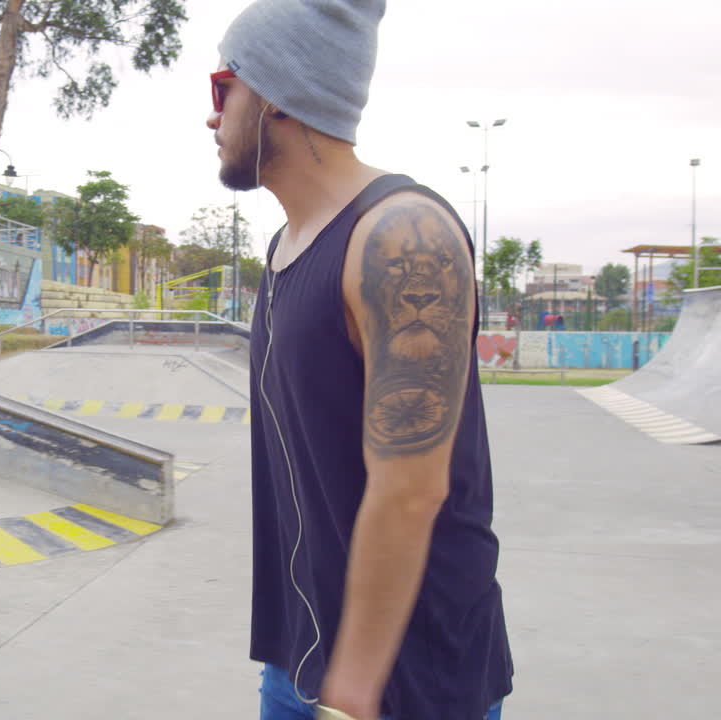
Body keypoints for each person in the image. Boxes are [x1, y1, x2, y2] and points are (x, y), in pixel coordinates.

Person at [206, 2, 513, 719]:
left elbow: (412, 489)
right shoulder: (286, 248)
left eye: (224, 88)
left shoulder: (404, 235)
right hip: (302, 658)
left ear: (276, 94)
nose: (212, 116)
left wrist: (352, 692)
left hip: (403, 681)